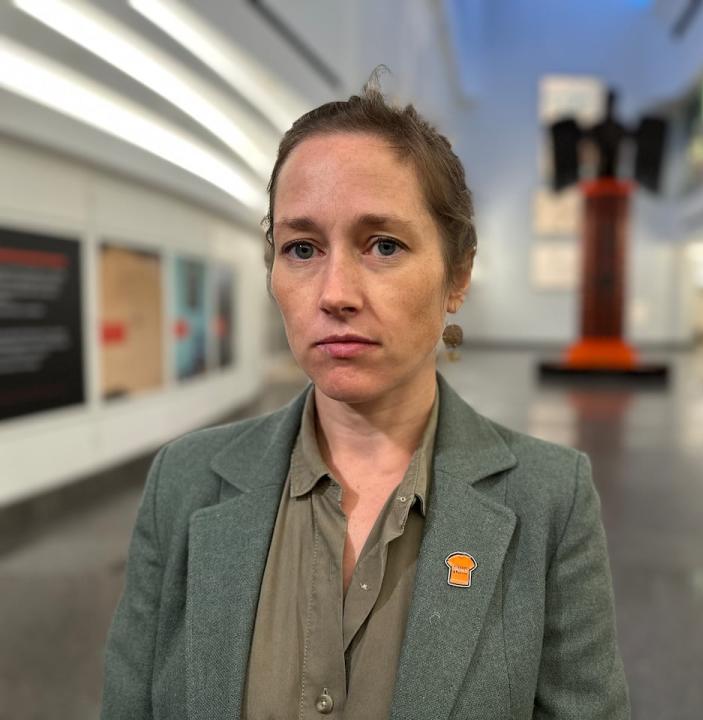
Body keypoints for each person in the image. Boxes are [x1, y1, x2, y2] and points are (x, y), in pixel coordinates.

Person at [100, 77, 629, 720]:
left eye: (383, 245)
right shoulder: (183, 485)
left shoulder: (550, 499)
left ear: (456, 275)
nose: (336, 292)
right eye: (302, 248)